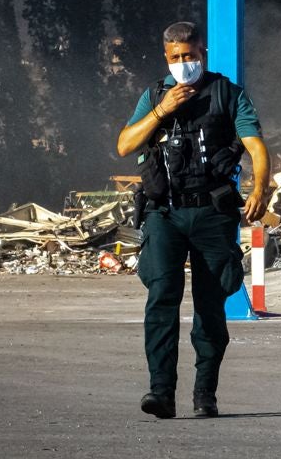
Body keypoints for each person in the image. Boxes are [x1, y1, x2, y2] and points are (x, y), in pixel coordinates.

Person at [116, 21, 271, 419]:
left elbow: (255, 146)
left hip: (211, 213)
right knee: (161, 298)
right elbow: (125, 144)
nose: (183, 64)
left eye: (190, 55)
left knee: (210, 305)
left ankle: (205, 394)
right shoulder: (154, 95)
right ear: (165, 58)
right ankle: (160, 392)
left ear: (203, 52)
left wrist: (259, 189)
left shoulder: (228, 94)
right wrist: (161, 110)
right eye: (175, 58)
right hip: (164, 212)